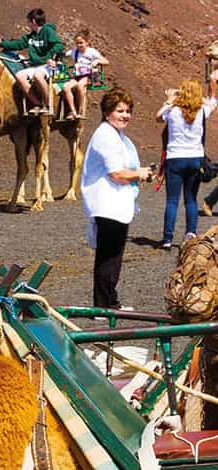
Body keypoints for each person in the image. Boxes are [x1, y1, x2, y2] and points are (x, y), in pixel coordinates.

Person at [80, 88, 153, 309]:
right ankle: (103, 306)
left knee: (115, 255)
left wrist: (142, 171)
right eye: (120, 110)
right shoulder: (105, 135)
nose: (125, 115)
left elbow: (124, 169)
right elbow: (117, 173)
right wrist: (140, 174)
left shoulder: (117, 135)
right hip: (106, 204)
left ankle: (110, 301)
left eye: (128, 111)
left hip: (117, 204)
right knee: (108, 256)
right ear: (107, 111)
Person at [158, 77, 218, 250]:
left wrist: (169, 99)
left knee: (172, 200)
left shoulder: (173, 110)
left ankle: (167, 238)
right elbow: (213, 100)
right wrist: (212, 82)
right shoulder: (201, 110)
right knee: (191, 199)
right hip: (195, 158)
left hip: (175, 158)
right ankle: (190, 233)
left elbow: (157, 118)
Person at [0, 8, 66, 115]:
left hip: (48, 65)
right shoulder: (31, 36)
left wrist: (50, 56)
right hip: (35, 65)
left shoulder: (47, 31)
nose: (28, 24)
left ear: (34, 22)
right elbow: (18, 44)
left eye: (28, 21)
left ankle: (47, 104)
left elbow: (59, 45)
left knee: (38, 75)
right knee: (19, 76)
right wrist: (1, 42)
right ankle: (37, 104)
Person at [59, 30, 108, 119]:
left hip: (89, 75)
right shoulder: (74, 51)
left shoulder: (92, 52)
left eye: (81, 43)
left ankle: (80, 110)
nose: (79, 45)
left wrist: (97, 61)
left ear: (87, 42)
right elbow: (64, 55)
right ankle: (73, 110)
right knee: (66, 87)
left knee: (80, 86)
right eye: (77, 43)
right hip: (78, 75)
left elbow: (106, 61)